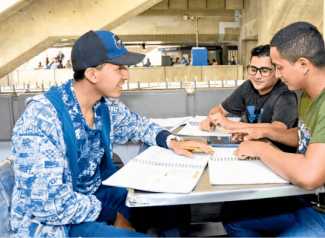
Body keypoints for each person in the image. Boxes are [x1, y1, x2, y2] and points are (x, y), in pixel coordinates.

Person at [10, 30, 212, 237]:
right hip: (54, 221)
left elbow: (139, 126)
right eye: (119, 68)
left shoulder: (104, 106)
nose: (127, 75)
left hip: (93, 195)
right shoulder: (40, 121)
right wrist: (111, 216)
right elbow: (48, 203)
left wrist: (172, 141)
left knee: (173, 201)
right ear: (92, 74)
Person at [224, 22, 325, 237]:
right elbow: (306, 136)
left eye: (280, 67)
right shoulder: (308, 94)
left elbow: (310, 176)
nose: (277, 74)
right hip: (312, 202)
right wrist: (263, 133)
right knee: (235, 217)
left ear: (303, 64)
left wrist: (260, 149)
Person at [199, 45, 298, 153]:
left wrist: (231, 125)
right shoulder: (248, 87)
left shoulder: (286, 94)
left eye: (264, 71)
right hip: (248, 147)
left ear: (276, 71)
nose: (257, 76)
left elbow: (278, 129)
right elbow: (219, 109)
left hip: (275, 154)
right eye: (253, 69)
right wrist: (211, 119)